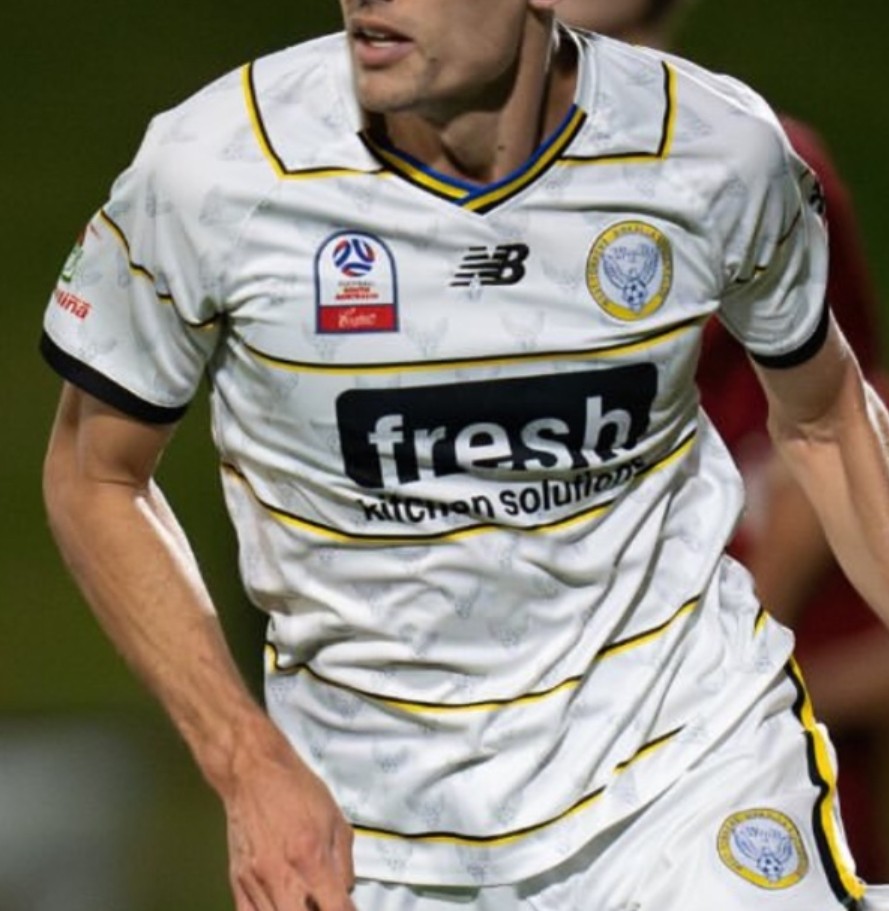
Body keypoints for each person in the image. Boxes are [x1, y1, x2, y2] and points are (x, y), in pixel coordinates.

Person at [38, 1, 889, 908]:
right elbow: (95, 471)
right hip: (375, 825)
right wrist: (247, 763)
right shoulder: (213, 168)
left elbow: (826, 417)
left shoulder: (715, 151)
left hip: (681, 769)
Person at [558, 0, 889, 882]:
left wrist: (743, 676)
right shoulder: (444, 204)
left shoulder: (762, 165)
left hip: (761, 777)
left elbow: (831, 423)